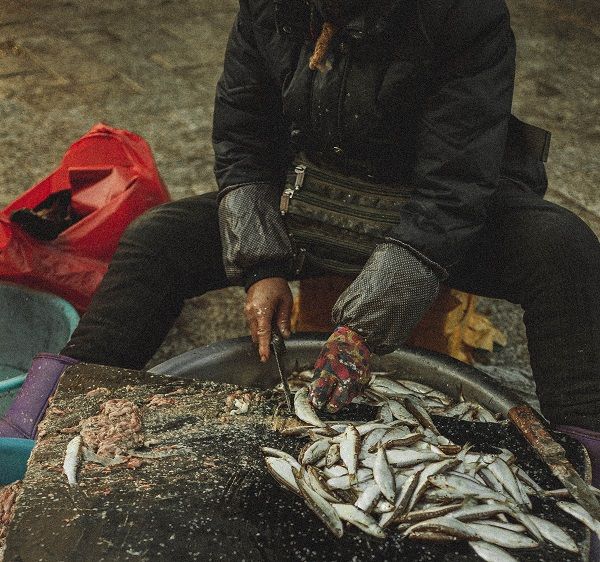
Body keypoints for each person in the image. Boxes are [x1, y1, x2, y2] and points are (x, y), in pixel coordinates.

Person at [1, 0, 598, 488]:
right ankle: (40, 422)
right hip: (309, 198)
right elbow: (243, 139)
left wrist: (364, 323)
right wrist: (261, 262)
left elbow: (455, 186)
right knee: (159, 239)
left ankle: (584, 460)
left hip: (428, 216)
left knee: (562, 249)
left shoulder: (465, 17)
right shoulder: (272, 7)